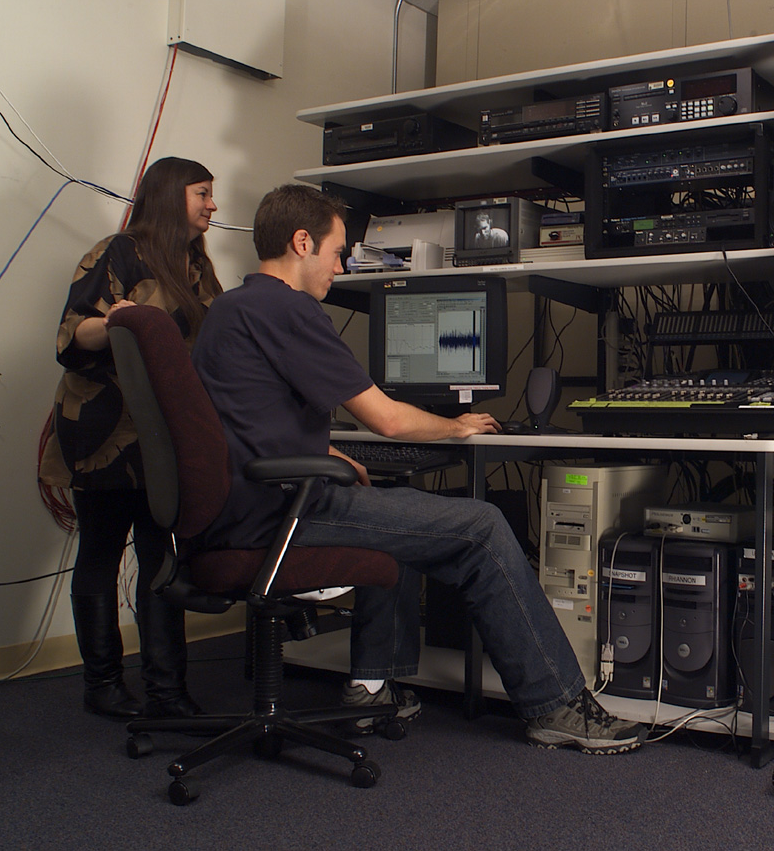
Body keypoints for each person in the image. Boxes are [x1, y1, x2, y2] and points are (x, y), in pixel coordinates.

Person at [191, 184, 646, 754]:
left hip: (242, 505)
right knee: (480, 525)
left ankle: (371, 686)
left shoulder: (232, 307)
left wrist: (327, 455)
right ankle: (556, 703)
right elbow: (388, 421)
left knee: (397, 511)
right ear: (301, 242)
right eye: (336, 252)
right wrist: (458, 426)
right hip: (279, 514)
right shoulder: (287, 308)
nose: (340, 266)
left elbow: (237, 418)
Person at [39, 156, 222, 719]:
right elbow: (74, 334)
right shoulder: (117, 252)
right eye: (203, 194)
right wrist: (118, 318)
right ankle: (103, 686)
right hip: (103, 430)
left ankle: (166, 691)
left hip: (163, 434)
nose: (213, 205)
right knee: (100, 552)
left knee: (160, 555)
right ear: (171, 197)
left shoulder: (197, 266)